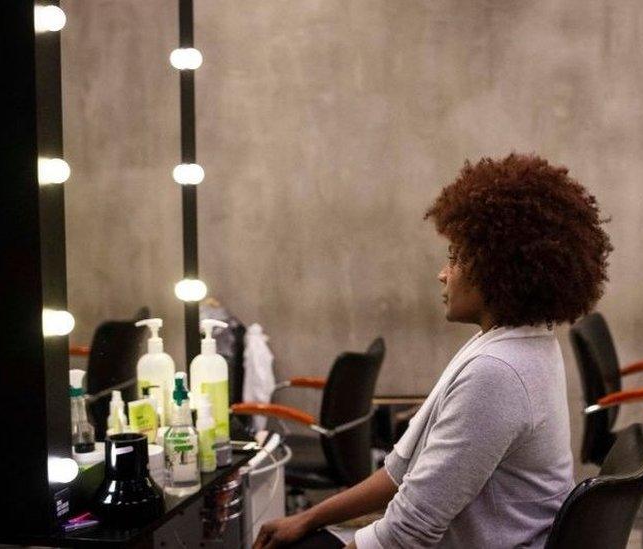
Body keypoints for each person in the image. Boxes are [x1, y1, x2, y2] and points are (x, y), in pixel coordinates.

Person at [254, 153, 612, 549]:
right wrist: (308, 519)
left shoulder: (497, 372)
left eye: (456, 258)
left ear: (497, 270)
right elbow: (400, 471)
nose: (443, 273)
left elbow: (407, 532)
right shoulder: (516, 342)